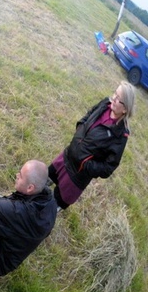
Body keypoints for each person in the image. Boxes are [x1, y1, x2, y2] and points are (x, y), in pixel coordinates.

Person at [49, 81, 134, 210]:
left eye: (118, 99)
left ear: (125, 109)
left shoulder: (120, 135)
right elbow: (89, 114)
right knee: (45, 179)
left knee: (54, 204)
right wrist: (80, 128)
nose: (113, 99)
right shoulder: (105, 104)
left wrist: (85, 164)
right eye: (115, 94)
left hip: (77, 175)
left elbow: (108, 168)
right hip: (66, 156)